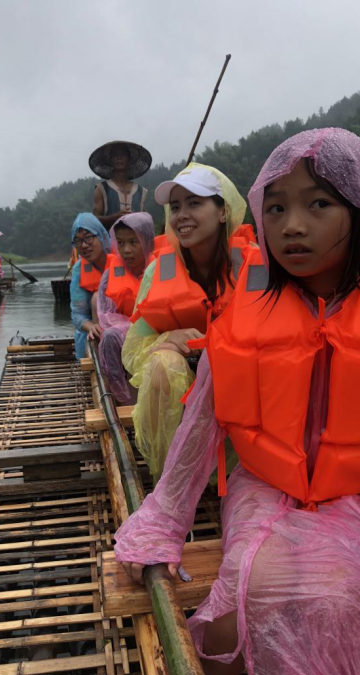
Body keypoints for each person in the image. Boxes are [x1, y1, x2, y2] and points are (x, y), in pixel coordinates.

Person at [115, 128, 360, 675]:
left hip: (354, 496)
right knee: (245, 594)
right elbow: (200, 427)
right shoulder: (246, 311)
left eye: (319, 204)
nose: (292, 226)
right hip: (262, 485)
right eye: (276, 207)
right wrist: (165, 518)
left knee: (329, 599)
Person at [121, 163, 254, 480]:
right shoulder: (158, 271)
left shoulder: (255, 265)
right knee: (162, 365)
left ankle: (247, 470)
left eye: (195, 203)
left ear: (223, 212)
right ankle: (172, 479)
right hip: (185, 386)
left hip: (241, 383)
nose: (181, 215)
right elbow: (131, 350)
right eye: (175, 207)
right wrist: (165, 340)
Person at [97, 212, 155, 404]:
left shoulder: (161, 269)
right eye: (120, 243)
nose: (126, 250)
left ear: (147, 240)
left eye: (133, 242)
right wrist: (131, 332)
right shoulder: (110, 274)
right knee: (110, 336)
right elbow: (106, 314)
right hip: (123, 335)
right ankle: (123, 400)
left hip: (156, 333)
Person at [69, 213, 115, 360]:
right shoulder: (78, 270)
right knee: (96, 298)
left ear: (101, 235)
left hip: (119, 326)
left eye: (88, 238)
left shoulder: (121, 261)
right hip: (93, 333)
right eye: (78, 241)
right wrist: (91, 326)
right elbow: (77, 314)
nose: (83, 245)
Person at [90, 141, 152, 229]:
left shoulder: (141, 191)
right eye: (115, 155)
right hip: (109, 241)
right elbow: (93, 219)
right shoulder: (102, 189)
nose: (119, 158)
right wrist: (113, 218)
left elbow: (147, 220)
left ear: (129, 160)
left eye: (123, 155)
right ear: (110, 161)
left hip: (136, 241)